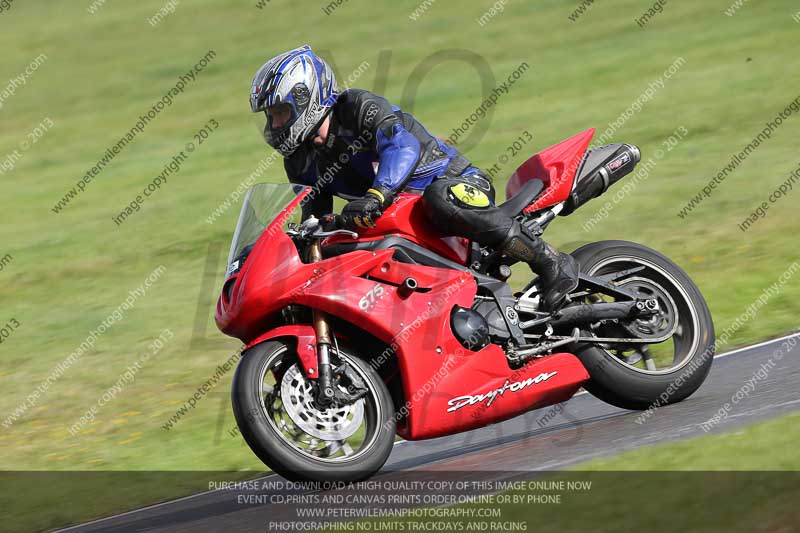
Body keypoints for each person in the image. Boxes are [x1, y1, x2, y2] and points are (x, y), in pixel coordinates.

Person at [249, 45, 578, 311]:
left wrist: (378, 195)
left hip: (456, 185)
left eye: (280, 112)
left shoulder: (357, 107)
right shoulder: (300, 159)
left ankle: (551, 263)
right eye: (271, 117)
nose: (276, 125)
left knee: (440, 200)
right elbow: (315, 216)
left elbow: (401, 145)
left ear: (307, 98)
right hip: (400, 216)